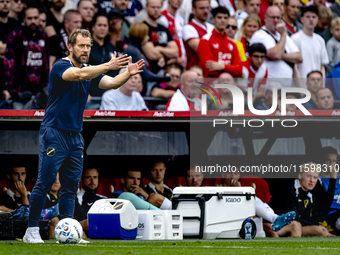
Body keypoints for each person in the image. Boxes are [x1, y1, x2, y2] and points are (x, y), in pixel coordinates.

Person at [22, 28, 144, 244]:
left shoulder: (89, 69)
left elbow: (112, 84)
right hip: (54, 132)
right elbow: (77, 75)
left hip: (75, 136)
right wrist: (108, 66)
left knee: (70, 187)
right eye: (81, 45)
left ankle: (69, 232)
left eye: (88, 46)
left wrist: (127, 73)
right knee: (45, 181)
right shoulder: (61, 65)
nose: (86, 49)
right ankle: (31, 230)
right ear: (70, 47)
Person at [223, 168, 300, 237]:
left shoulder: (244, 189)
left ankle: (275, 218)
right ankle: (275, 218)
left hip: (247, 223)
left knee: (253, 201)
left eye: (235, 173)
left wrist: (240, 190)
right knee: (251, 201)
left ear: (239, 175)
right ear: (223, 175)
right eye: (229, 173)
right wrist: (238, 190)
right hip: (228, 223)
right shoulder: (216, 188)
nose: (232, 176)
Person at [269, 162, 335, 237]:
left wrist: (333, 179)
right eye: (308, 176)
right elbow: (295, 217)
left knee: (319, 230)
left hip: (295, 225)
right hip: (275, 225)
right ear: (300, 176)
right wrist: (318, 226)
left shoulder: (310, 191)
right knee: (318, 230)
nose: (312, 180)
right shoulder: (289, 188)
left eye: (315, 177)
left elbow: (324, 208)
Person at [4, 6, 50, 110]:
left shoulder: (44, 36)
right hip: (20, 92)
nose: (33, 21)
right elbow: (8, 65)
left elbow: (46, 65)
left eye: (35, 18)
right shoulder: (15, 35)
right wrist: (9, 89)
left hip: (40, 93)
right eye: (29, 18)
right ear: (24, 20)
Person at [250, 6, 302, 86]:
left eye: (278, 18)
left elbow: (299, 57)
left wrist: (282, 55)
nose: (276, 20)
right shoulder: (259, 35)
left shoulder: (283, 36)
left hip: (286, 87)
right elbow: (276, 54)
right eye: (272, 17)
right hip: (268, 87)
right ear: (265, 18)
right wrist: (284, 34)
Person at [123, 22, 170, 96]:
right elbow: (146, 75)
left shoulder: (136, 49)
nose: (148, 38)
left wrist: (158, 67)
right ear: (140, 35)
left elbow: (144, 72)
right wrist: (167, 78)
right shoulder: (133, 51)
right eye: (146, 35)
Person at [197, 6, 243, 78]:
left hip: (228, 85)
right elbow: (209, 70)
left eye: (225, 18)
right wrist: (231, 68)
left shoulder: (232, 43)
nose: (223, 20)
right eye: (219, 17)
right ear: (213, 19)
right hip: (209, 85)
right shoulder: (205, 40)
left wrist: (222, 66)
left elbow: (240, 70)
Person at [291, 6, 329, 79]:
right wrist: (300, 88)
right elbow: (294, 67)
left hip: (317, 85)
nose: (311, 19)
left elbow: (322, 66)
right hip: (301, 85)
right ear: (302, 19)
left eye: (314, 17)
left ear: (317, 19)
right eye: (308, 17)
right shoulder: (295, 39)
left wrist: (322, 85)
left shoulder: (320, 40)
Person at [142, 0, 178, 72]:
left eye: (158, 7)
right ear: (146, 8)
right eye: (153, 7)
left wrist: (159, 48)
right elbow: (151, 54)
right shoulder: (143, 28)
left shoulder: (164, 28)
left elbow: (176, 52)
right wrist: (168, 55)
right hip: (150, 71)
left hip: (165, 71)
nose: (156, 10)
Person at [74, 168, 107, 237]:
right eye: (88, 177)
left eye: (95, 177)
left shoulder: (104, 199)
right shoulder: (77, 198)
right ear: (81, 179)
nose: (92, 181)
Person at [182, 0, 214, 69]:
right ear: (193, 10)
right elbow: (202, 49)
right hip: (195, 72)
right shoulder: (188, 28)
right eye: (202, 8)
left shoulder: (212, 28)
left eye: (208, 8)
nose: (206, 11)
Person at [159, 0, 186, 68]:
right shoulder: (162, 17)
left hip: (183, 61)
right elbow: (161, 43)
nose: (179, 1)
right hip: (169, 62)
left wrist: (185, 57)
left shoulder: (181, 19)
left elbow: (183, 41)